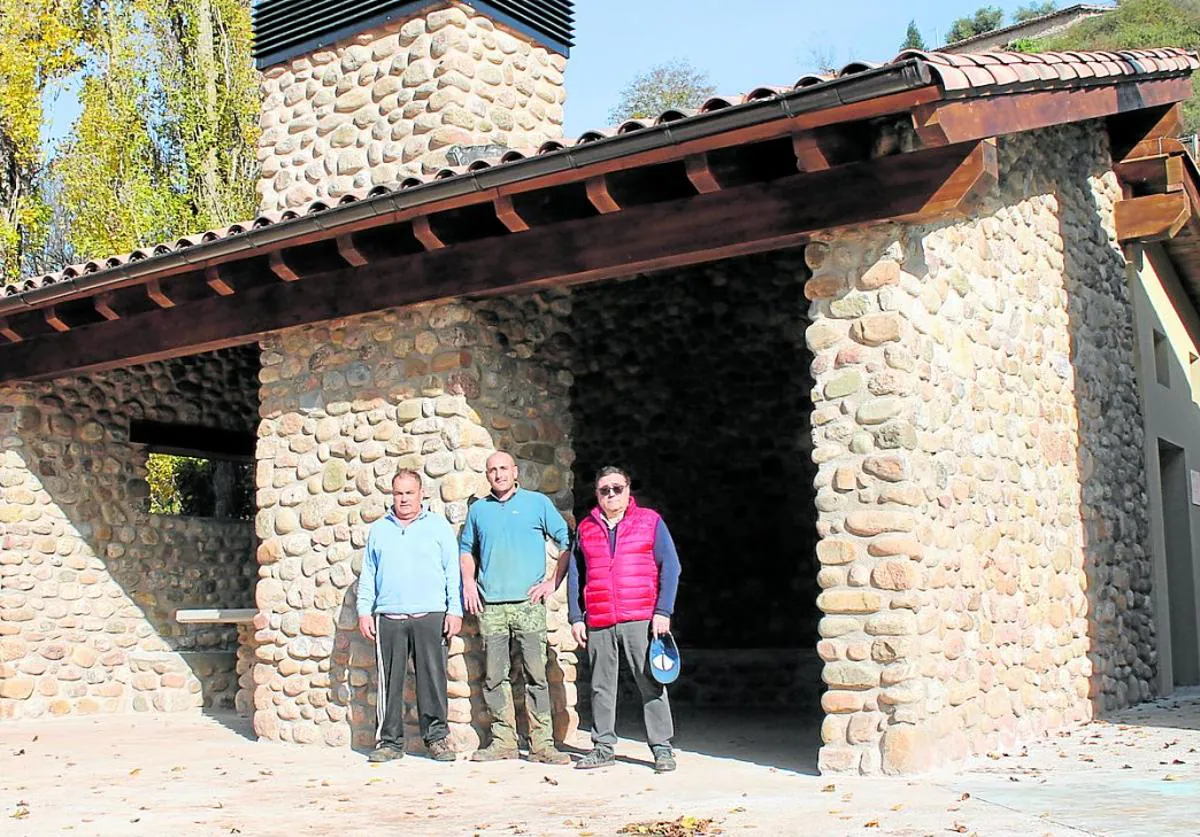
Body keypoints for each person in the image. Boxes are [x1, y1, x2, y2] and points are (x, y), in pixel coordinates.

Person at [460, 450, 572, 765]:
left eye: (503, 469)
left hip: (528, 604)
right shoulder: (479, 510)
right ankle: (503, 741)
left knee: (537, 674)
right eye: (492, 470)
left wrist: (553, 582)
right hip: (491, 606)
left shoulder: (537, 504)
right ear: (487, 475)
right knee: (495, 676)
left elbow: (566, 541)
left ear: (515, 472)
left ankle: (542, 745)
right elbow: (466, 549)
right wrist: (468, 582)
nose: (498, 474)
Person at [568, 466, 681, 773]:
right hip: (600, 618)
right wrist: (576, 616)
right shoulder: (586, 528)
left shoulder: (650, 522)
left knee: (651, 682)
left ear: (628, 490)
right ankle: (603, 747)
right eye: (605, 490)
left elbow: (671, 566)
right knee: (601, 686)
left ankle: (662, 748)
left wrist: (663, 611)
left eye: (617, 488)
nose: (611, 495)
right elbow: (576, 574)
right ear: (597, 494)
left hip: (641, 617)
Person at [357, 469, 462, 763]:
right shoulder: (379, 529)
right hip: (390, 616)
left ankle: (437, 739)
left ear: (421, 494)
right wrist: (365, 610)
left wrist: (455, 609)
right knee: (390, 682)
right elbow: (369, 573)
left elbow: (451, 571)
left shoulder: (438, 527)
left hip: (430, 614)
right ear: (393, 495)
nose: (403, 499)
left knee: (432, 679)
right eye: (398, 493)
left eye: (409, 493)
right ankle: (389, 742)